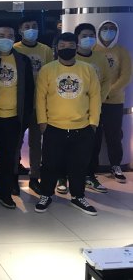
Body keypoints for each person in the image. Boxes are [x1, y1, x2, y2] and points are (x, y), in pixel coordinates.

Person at [35, 32, 101, 215]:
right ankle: (46, 194)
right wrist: (42, 122)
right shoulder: (47, 70)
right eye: (62, 46)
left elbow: (95, 97)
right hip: (54, 126)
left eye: (71, 46)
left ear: (76, 47)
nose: (67, 49)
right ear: (56, 48)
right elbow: (40, 98)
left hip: (82, 127)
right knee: (49, 164)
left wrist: (93, 123)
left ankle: (78, 196)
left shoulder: (87, 69)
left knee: (79, 164)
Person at [0, 24, 34, 210]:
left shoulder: (23, 60)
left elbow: (29, 90)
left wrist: (25, 118)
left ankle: (4, 193)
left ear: (15, 37)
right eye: (2, 35)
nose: (6, 38)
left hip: (13, 118)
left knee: (8, 158)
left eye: (9, 35)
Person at [13, 16, 54, 194]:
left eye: (34, 25)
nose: (31, 29)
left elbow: (52, 75)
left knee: (36, 143)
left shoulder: (45, 50)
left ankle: (34, 177)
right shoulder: (14, 49)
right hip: (20, 104)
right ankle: (13, 177)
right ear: (20, 30)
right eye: (27, 26)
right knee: (16, 142)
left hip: (40, 104)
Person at [72, 23, 111, 193]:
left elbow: (106, 80)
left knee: (93, 143)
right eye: (84, 36)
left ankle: (90, 175)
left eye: (91, 35)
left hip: (95, 109)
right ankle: (67, 175)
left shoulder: (100, 58)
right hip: (74, 108)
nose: (88, 39)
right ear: (77, 38)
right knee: (72, 145)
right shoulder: (71, 57)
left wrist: (98, 100)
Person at [95, 20, 132, 183]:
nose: (108, 31)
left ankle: (116, 165)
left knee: (114, 135)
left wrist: (108, 92)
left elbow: (125, 76)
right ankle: (91, 167)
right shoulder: (93, 50)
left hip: (114, 101)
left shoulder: (122, 52)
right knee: (94, 135)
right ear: (99, 31)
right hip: (94, 101)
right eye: (105, 28)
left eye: (112, 29)